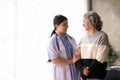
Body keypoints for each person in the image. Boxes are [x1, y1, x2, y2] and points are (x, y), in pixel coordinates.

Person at [75, 11, 110, 80]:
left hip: (97, 77)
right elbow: (76, 56)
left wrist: (85, 72)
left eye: (84, 21)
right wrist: (82, 70)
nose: (82, 24)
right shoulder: (83, 37)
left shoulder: (102, 36)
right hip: (84, 77)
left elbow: (100, 59)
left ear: (90, 22)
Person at [47, 14, 80, 80]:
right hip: (61, 73)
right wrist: (72, 61)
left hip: (74, 71)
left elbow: (76, 53)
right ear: (56, 26)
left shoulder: (71, 39)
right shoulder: (52, 41)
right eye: (64, 25)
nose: (67, 26)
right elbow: (54, 60)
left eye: (67, 24)